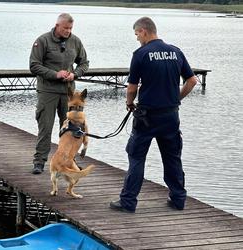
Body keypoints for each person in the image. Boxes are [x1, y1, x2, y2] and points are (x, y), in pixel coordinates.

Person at [110, 17, 197, 213]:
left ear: (143, 31)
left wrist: (129, 103)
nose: (137, 39)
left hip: (146, 117)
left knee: (137, 157)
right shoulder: (176, 52)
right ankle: (178, 199)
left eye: (137, 35)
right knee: (172, 158)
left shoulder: (141, 54)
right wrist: (177, 98)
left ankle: (128, 202)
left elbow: (132, 88)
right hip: (170, 116)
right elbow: (192, 81)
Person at [29, 13, 89, 174]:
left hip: (68, 94)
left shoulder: (75, 41)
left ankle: (71, 161)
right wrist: (55, 74)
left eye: (70, 28)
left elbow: (84, 63)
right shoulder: (42, 41)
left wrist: (75, 74)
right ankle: (39, 162)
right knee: (45, 127)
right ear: (57, 26)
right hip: (47, 91)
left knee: (71, 130)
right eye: (65, 28)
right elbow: (34, 66)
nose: (68, 31)